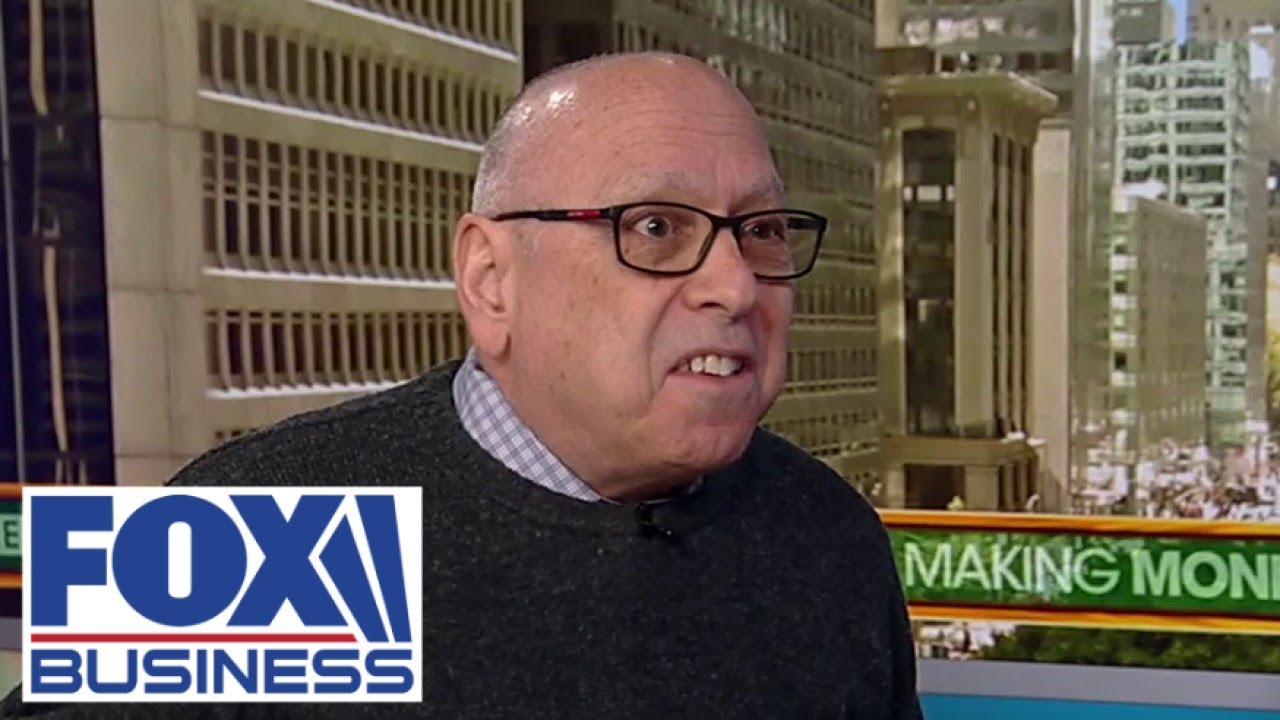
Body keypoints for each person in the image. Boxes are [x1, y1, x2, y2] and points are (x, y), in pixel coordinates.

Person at [2, 52, 923, 719]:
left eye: (761, 231)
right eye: (655, 228)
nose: (735, 284)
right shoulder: (254, 528)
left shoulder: (826, 534)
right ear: (490, 280)